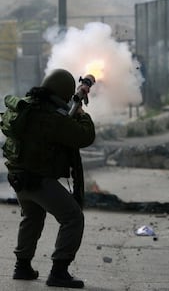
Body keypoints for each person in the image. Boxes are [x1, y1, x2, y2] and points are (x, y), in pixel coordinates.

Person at [2, 69, 95, 288]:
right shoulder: (51, 117)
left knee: (32, 218)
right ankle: (59, 272)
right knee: (73, 217)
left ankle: (22, 267)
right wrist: (81, 112)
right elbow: (85, 136)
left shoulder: (30, 105)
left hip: (18, 177)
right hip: (38, 180)